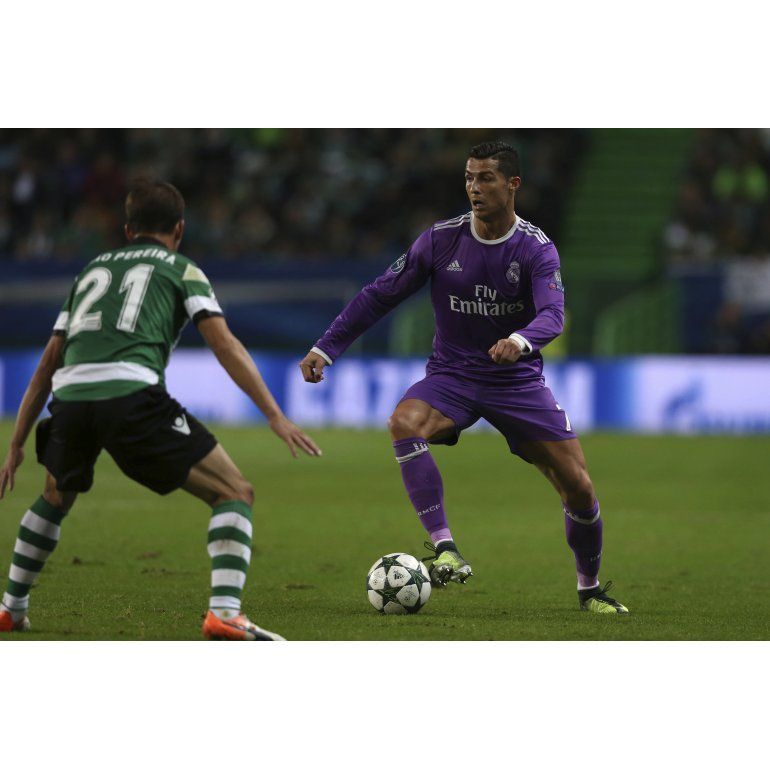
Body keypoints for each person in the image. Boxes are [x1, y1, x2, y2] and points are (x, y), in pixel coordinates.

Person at [300, 141, 628, 614]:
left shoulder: (535, 248)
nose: (475, 187)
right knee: (403, 422)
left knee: (578, 487)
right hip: (452, 376)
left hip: (515, 383)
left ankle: (590, 589)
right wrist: (325, 346)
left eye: (486, 178)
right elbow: (380, 294)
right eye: (470, 178)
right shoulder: (440, 239)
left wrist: (519, 340)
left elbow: (553, 314)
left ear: (513, 185)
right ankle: (445, 548)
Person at [0, 179, 321, 640]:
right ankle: (225, 613)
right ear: (179, 229)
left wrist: (15, 444)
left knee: (55, 494)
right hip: (131, 395)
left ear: (128, 230)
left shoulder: (91, 271)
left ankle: (11, 608)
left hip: (70, 398)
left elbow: (49, 362)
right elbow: (224, 344)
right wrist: (275, 414)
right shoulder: (182, 269)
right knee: (234, 491)